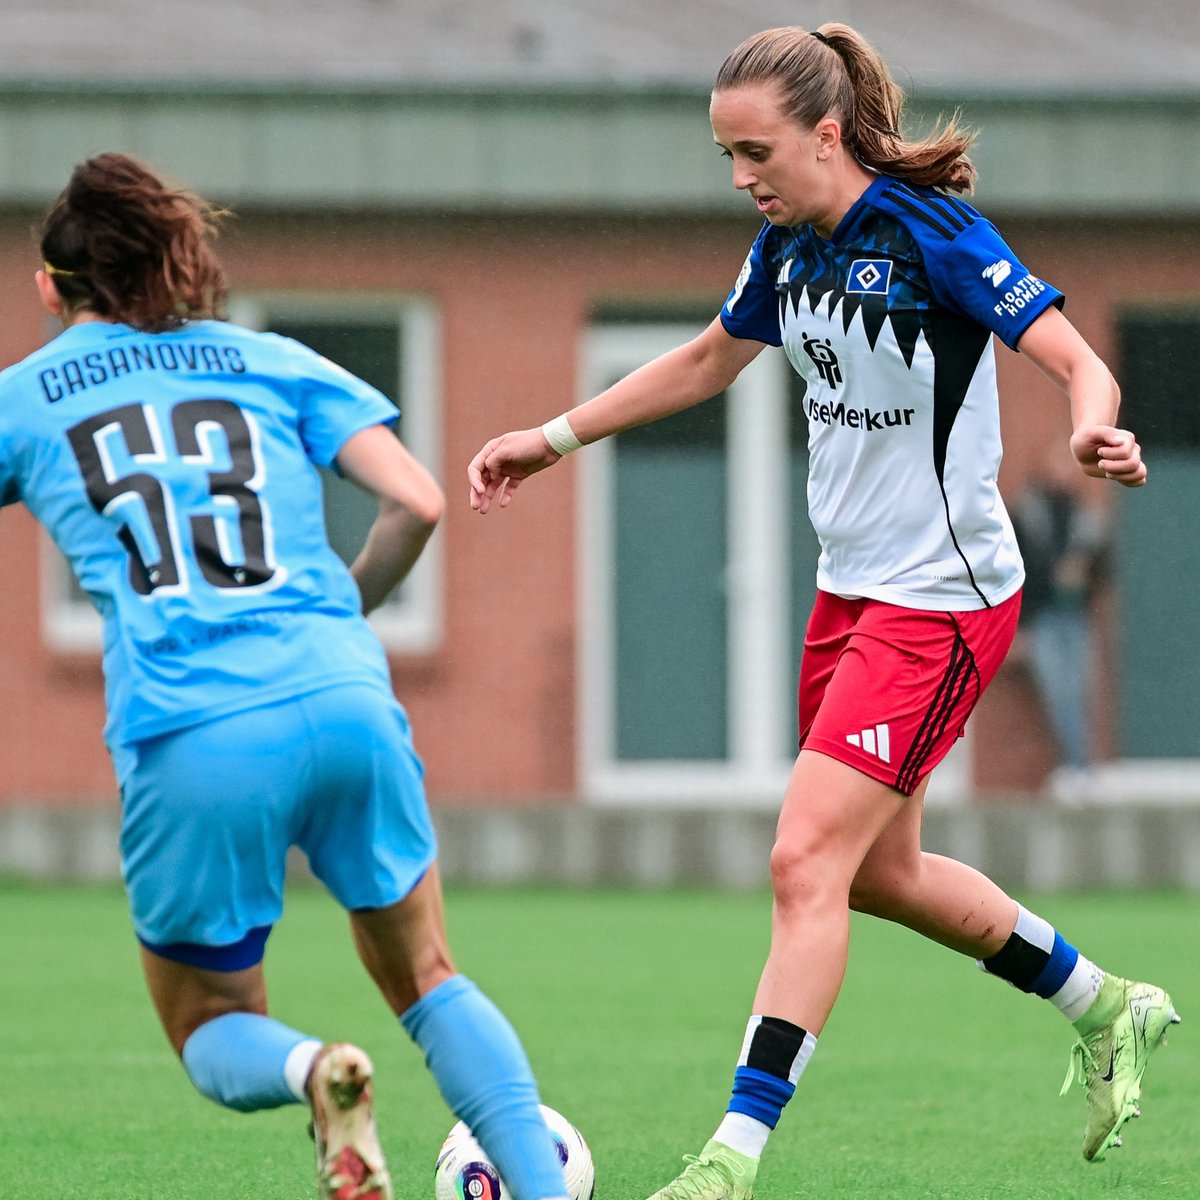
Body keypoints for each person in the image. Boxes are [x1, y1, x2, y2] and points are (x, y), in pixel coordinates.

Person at [467, 23, 1179, 1198]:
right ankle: (1109, 1007)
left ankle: (729, 1161)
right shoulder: (782, 250)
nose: (741, 176)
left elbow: (1072, 354)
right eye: (725, 156)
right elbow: (705, 362)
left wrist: (1093, 424)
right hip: (850, 595)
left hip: (945, 603)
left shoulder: (932, 234)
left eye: (755, 151)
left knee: (802, 861)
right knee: (877, 875)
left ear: (826, 135)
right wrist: (549, 440)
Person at [0, 153, 572, 1200]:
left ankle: (318, 1073)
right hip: (345, 694)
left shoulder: (24, 397)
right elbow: (419, 501)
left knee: (213, 1020)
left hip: (194, 730)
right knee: (429, 976)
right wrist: (342, 616)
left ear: (50, 287)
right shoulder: (268, 358)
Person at [1009, 453, 1112, 801]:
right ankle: (1075, 767)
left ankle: (1081, 769)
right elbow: (1011, 575)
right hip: (1042, 620)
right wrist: (1017, 627)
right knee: (1058, 693)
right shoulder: (1025, 515)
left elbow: (1105, 568)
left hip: (1075, 617)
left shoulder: (1084, 517)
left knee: (1080, 692)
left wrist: (1083, 569)